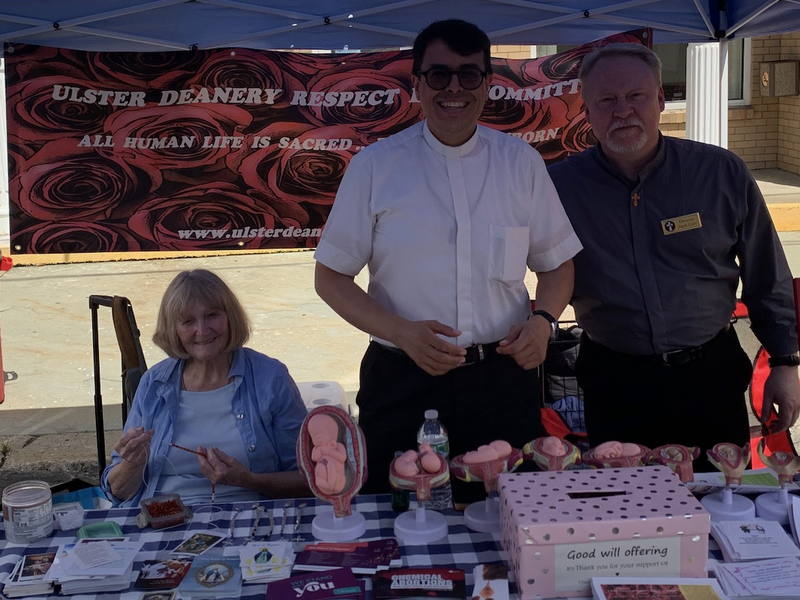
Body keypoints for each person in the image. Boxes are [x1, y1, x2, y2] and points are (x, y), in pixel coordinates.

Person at [314, 19, 582, 497]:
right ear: (417, 83)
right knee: (397, 520)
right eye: (438, 75)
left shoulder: (520, 164)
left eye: (468, 74)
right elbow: (330, 278)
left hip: (503, 380)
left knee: (507, 518)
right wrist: (401, 333)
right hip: (402, 381)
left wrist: (544, 321)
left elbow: (557, 264)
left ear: (488, 83)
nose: (453, 88)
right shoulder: (375, 168)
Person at [547, 43, 800, 469]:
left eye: (636, 97)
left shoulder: (721, 173)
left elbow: (767, 275)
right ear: (586, 112)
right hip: (615, 382)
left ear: (661, 100)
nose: (622, 111)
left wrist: (785, 362)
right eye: (606, 100)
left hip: (709, 379)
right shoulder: (557, 188)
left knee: (721, 506)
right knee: (623, 516)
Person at [101, 269, 309, 507]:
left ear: (230, 317)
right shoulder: (154, 383)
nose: (202, 330)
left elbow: (308, 479)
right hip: (162, 519)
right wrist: (132, 464)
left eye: (212, 315)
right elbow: (117, 493)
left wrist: (248, 480)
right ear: (174, 330)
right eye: (188, 321)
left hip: (248, 515)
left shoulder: (270, 378)